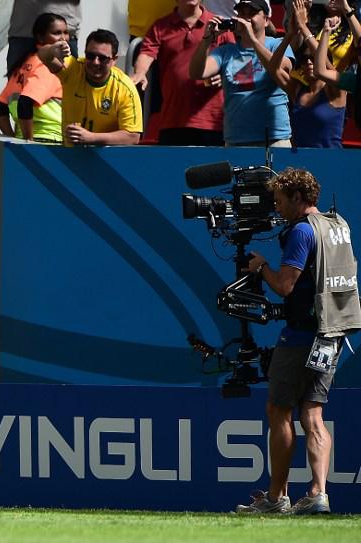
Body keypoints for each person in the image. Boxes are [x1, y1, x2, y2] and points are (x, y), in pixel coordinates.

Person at [239, 168, 361, 514]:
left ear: (297, 198)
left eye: (280, 201)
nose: (277, 208)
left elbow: (285, 286)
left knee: (279, 411)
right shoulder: (337, 225)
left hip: (301, 335)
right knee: (314, 414)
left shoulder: (302, 232)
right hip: (332, 332)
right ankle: (318, 494)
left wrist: (261, 267)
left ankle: (277, 498)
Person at [189, 0, 295, 146]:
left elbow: (281, 68)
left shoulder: (277, 44)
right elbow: (196, 72)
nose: (246, 18)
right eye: (242, 14)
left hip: (273, 138)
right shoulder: (226, 51)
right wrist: (207, 40)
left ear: (266, 20)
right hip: (236, 139)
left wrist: (253, 39)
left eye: (252, 14)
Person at [131, 0, 234, 146]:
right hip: (173, 120)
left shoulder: (219, 24)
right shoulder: (160, 26)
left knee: (211, 168)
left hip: (212, 122)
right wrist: (140, 72)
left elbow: (235, 62)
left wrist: (223, 76)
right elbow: (147, 53)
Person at [38, 29, 143, 146]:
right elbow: (43, 55)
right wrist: (53, 49)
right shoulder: (74, 69)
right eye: (90, 56)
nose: (95, 62)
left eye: (103, 58)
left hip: (106, 159)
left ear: (114, 60)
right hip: (70, 155)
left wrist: (91, 137)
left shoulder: (125, 88)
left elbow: (133, 136)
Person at [0, 13, 68, 143]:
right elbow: (25, 102)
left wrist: (12, 138)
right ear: (40, 37)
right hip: (49, 140)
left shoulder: (25, 63)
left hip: (25, 139)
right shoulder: (48, 65)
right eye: (56, 33)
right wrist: (30, 141)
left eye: (66, 32)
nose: (63, 38)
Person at [276, 12, 346, 148]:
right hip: (301, 162)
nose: (308, 62)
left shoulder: (337, 90)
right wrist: (289, 36)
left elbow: (326, 67)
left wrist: (304, 27)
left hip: (332, 160)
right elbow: (274, 68)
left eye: (313, 58)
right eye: (304, 59)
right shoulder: (297, 90)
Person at [7, 1, 81, 74]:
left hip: (66, 27)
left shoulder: (64, 35)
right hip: (23, 31)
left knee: (69, 82)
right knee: (19, 84)